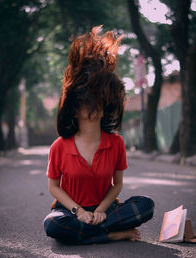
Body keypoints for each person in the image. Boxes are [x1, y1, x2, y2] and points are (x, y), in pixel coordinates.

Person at [43, 26, 154, 245]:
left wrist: (101, 211)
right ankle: (111, 235)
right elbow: (53, 187)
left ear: (106, 107)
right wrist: (80, 211)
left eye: (99, 101)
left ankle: (86, 234)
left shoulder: (116, 143)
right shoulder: (59, 146)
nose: (94, 106)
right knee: (52, 224)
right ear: (75, 109)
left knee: (145, 205)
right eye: (88, 101)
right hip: (71, 212)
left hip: (107, 210)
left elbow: (118, 184)